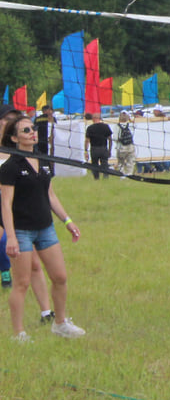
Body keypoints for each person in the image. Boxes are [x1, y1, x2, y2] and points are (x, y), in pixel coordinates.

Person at [0, 115, 87, 341]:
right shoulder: (11, 166)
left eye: (33, 128)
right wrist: (11, 237)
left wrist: (67, 221)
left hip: (45, 229)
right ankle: (18, 333)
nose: (32, 133)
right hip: (22, 231)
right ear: (14, 138)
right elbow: (5, 205)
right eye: (26, 130)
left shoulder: (44, 160)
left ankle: (60, 324)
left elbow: (50, 195)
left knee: (60, 277)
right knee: (22, 283)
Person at [83, 112, 113, 180]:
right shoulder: (105, 126)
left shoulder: (90, 128)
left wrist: (86, 150)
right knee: (105, 164)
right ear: (100, 118)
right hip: (103, 148)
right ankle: (105, 178)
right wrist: (109, 149)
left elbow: (87, 140)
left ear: (93, 119)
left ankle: (96, 178)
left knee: (94, 165)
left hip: (94, 149)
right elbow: (110, 139)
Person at [115, 112, 136, 178]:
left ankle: (122, 175)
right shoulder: (130, 125)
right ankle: (130, 174)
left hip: (121, 146)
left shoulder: (117, 126)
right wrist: (130, 119)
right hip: (130, 146)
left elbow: (115, 138)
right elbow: (135, 126)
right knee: (131, 160)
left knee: (121, 162)